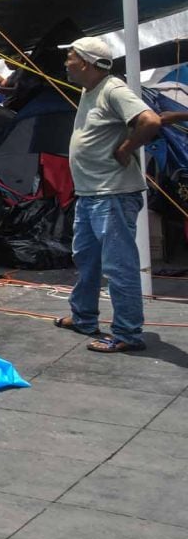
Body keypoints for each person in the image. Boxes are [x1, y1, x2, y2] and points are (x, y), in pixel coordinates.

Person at [56, 36, 162, 354]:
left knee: (118, 265)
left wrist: (127, 148)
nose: (66, 62)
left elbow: (150, 120)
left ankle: (128, 332)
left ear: (86, 63)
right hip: (92, 193)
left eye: (70, 56)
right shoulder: (91, 90)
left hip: (112, 193)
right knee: (86, 259)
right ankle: (84, 317)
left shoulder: (113, 89)